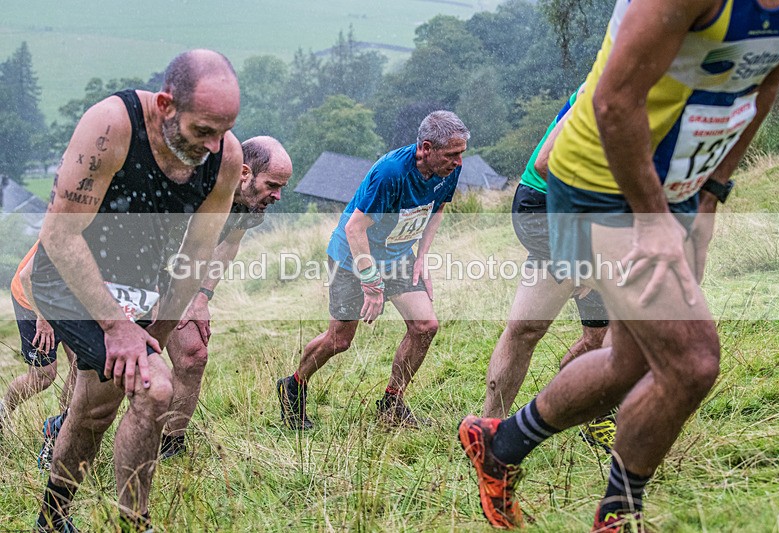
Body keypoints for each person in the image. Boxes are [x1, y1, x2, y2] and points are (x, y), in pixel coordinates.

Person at [459, 0, 779, 530]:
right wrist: (653, 220)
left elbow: (763, 88)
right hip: (599, 183)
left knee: (630, 360)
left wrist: (711, 193)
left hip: (672, 185)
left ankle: (500, 444)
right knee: (692, 360)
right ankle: (618, 516)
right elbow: (613, 102)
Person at [30, 49, 242, 532]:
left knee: (95, 409)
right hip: (66, 275)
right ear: (166, 105)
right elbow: (59, 235)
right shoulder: (112, 126)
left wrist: (158, 332)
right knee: (155, 389)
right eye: (202, 130)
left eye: (224, 130)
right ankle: (135, 523)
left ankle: (50, 521)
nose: (213, 145)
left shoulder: (225, 158)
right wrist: (117, 328)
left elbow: (196, 253)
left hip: (139, 284)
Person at [277, 111, 469, 430]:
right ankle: (293, 385)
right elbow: (355, 228)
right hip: (352, 255)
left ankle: (391, 404)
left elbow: (438, 209)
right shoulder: (391, 172)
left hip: (397, 255)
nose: (459, 161)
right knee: (339, 340)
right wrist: (371, 282)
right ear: (426, 148)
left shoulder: (449, 169)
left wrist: (421, 257)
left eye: (461, 153)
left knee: (425, 326)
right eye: (452, 154)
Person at [482, 85, 615, 452]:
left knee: (598, 335)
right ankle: (489, 431)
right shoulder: (610, 81)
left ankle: (590, 413)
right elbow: (546, 162)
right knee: (528, 330)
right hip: (547, 206)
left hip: (595, 217)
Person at [159, 135, 292, 458]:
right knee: (102, 365)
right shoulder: (196, 185)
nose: (277, 196)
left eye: (281, 188)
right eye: (272, 185)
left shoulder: (250, 204)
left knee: (193, 356)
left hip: (180, 277)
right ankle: (63, 431)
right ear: (245, 173)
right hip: (140, 266)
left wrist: (200, 297)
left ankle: (171, 444)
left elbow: (229, 243)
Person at [0, 241, 76, 456]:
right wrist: (43, 318)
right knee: (43, 375)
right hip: (31, 299)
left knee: (82, 365)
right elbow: (26, 276)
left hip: (66, 302)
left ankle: (63, 430)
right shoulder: (66, 233)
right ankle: (2, 411)